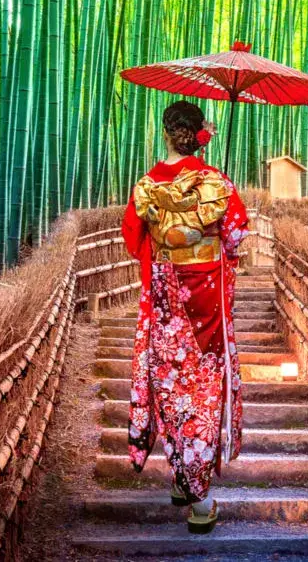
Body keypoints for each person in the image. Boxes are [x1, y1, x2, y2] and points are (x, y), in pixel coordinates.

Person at [121, 100, 250, 534]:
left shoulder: (147, 183)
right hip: (206, 296)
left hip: (163, 295)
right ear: (199, 134)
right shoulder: (216, 181)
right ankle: (200, 499)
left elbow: (131, 238)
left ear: (164, 132)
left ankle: (181, 476)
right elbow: (234, 234)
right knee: (203, 383)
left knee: (169, 379)